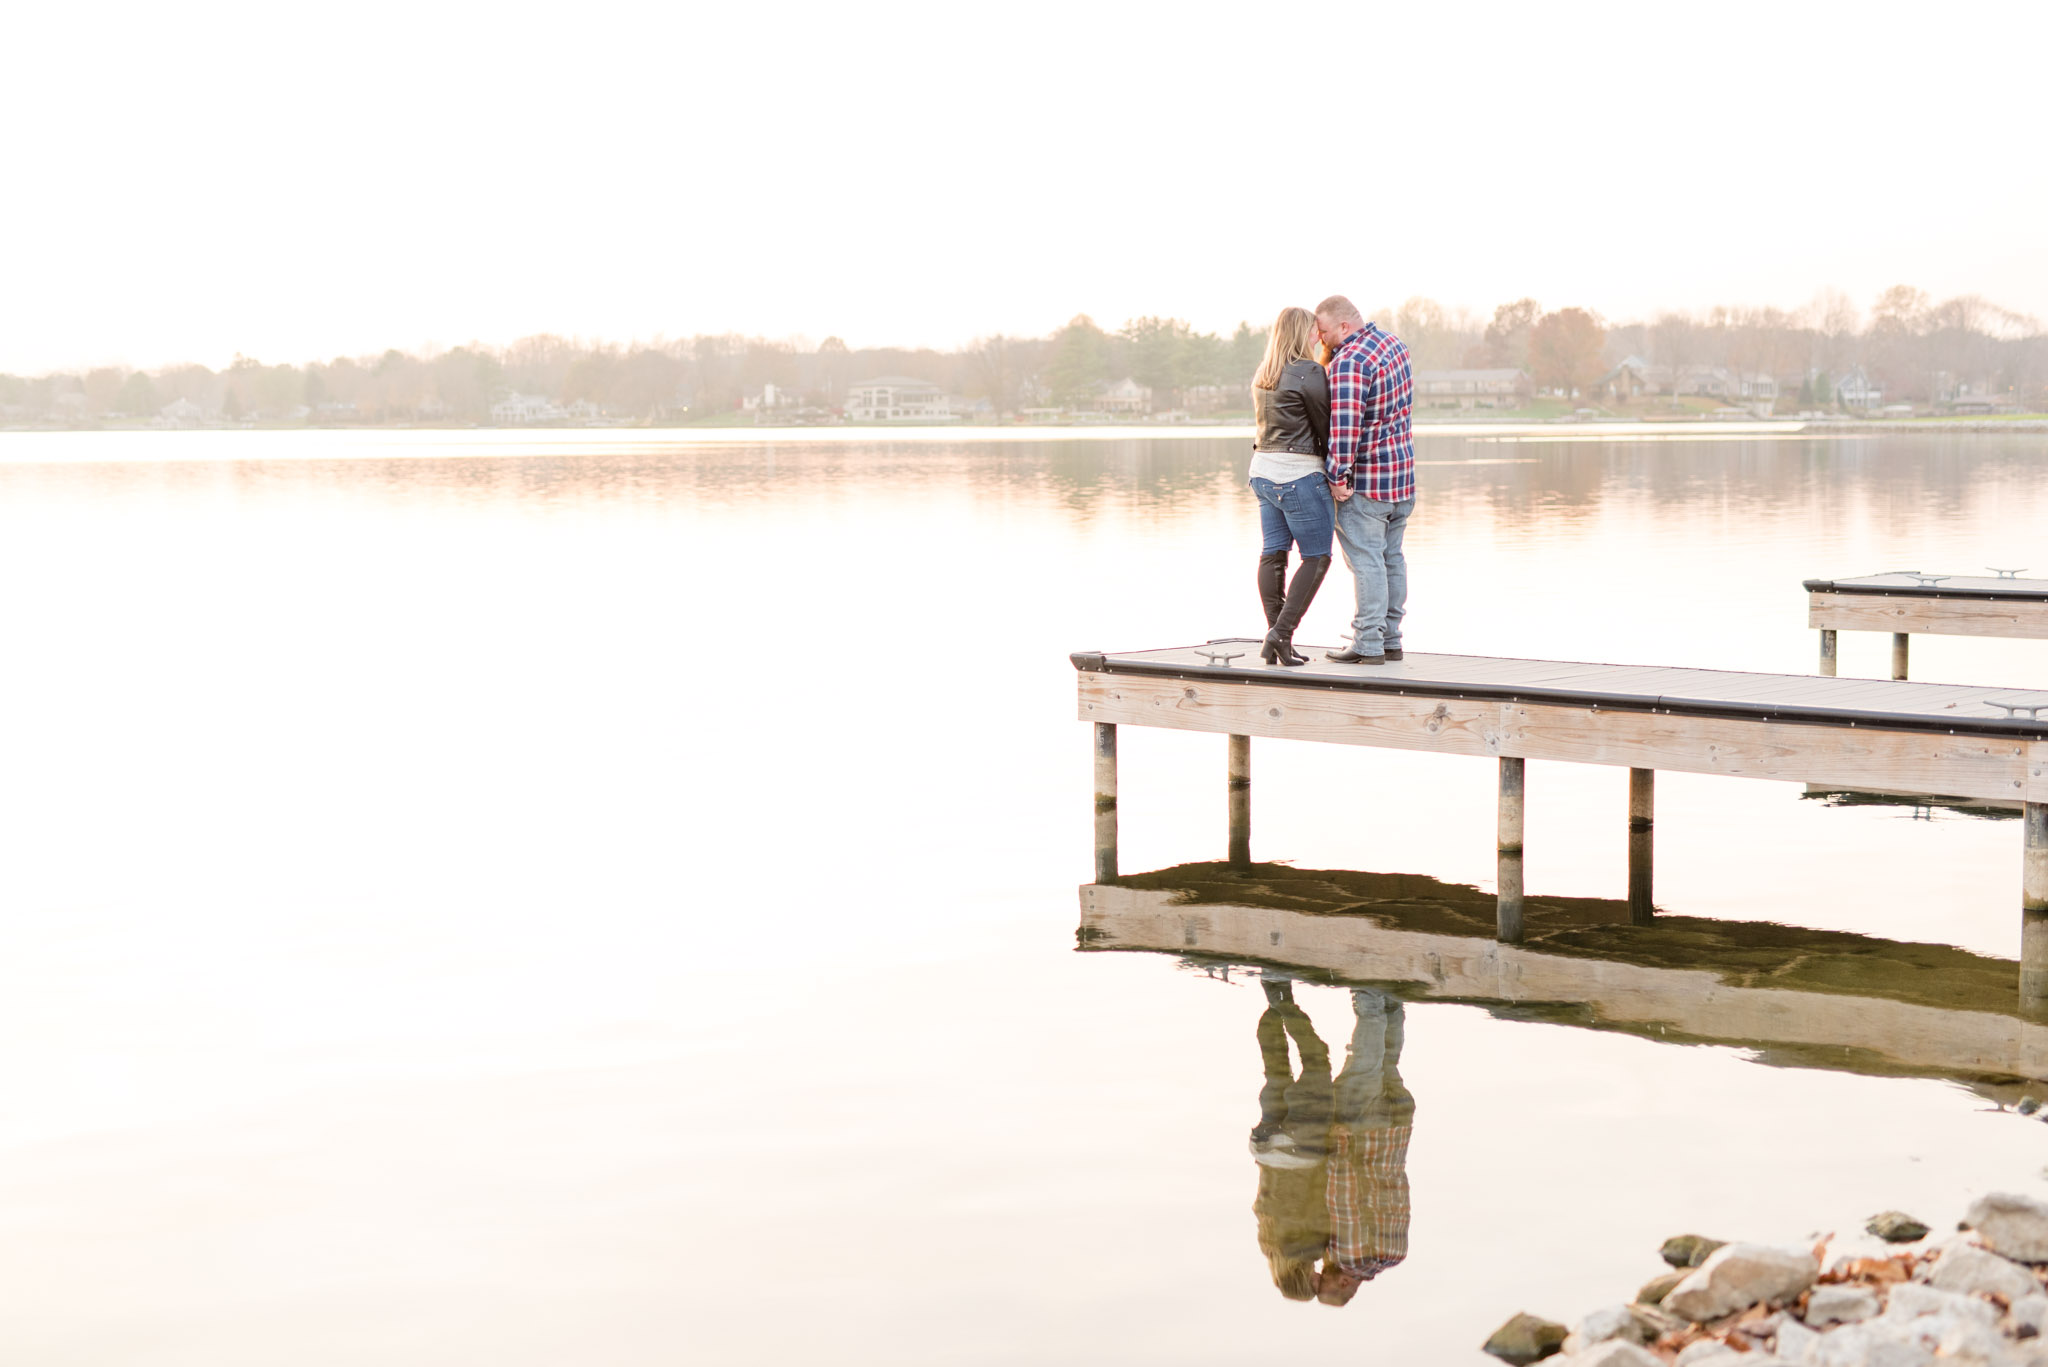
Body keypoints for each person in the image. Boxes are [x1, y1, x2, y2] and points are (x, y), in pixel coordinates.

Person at [1313, 296, 1415, 665]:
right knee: (1392, 559)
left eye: (1323, 331)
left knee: (1367, 561)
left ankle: (1368, 642)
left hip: (1368, 482)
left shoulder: (1350, 361)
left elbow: (1345, 425)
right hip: (1402, 477)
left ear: (1343, 326)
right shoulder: (1394, 344)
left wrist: (1337, 475)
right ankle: (1391, 639)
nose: (1322, 339)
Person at [1247, 306, 1333, 666]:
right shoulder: (1309, 371)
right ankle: (1280, 635)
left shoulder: (1264, 373)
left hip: (1263, 473)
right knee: (1316, 558)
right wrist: (1340, 472)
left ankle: (1277, 636)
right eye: (1313, 330)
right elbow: (1325, 427)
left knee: (1274, 553)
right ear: (1302, 333)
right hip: (1297, 475)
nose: (1318, 335)